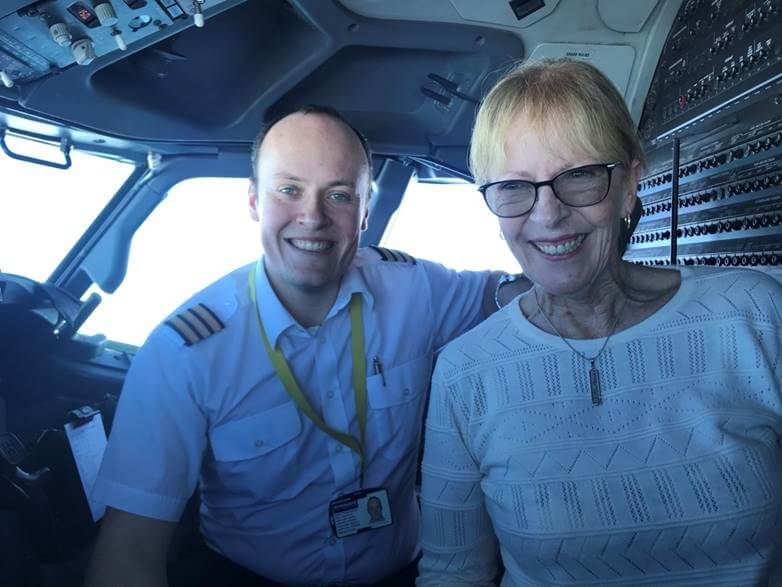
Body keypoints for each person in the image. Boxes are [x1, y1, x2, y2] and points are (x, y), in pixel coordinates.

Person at [84, 105, 518, 587]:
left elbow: (501, 295)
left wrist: (606, 283)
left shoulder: (413, 288)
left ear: (365, 210)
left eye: (338, 195)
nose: (312, 217)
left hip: (406, 573)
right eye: (289, 190)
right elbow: (130, 548)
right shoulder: (185, 353)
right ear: (253, 201)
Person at [416, 58, 782, 586]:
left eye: (581, 175)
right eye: (515, 187)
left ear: (630, 183)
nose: (547, 215)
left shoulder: (755, 316)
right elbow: (453, 574)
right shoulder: (464, 374)